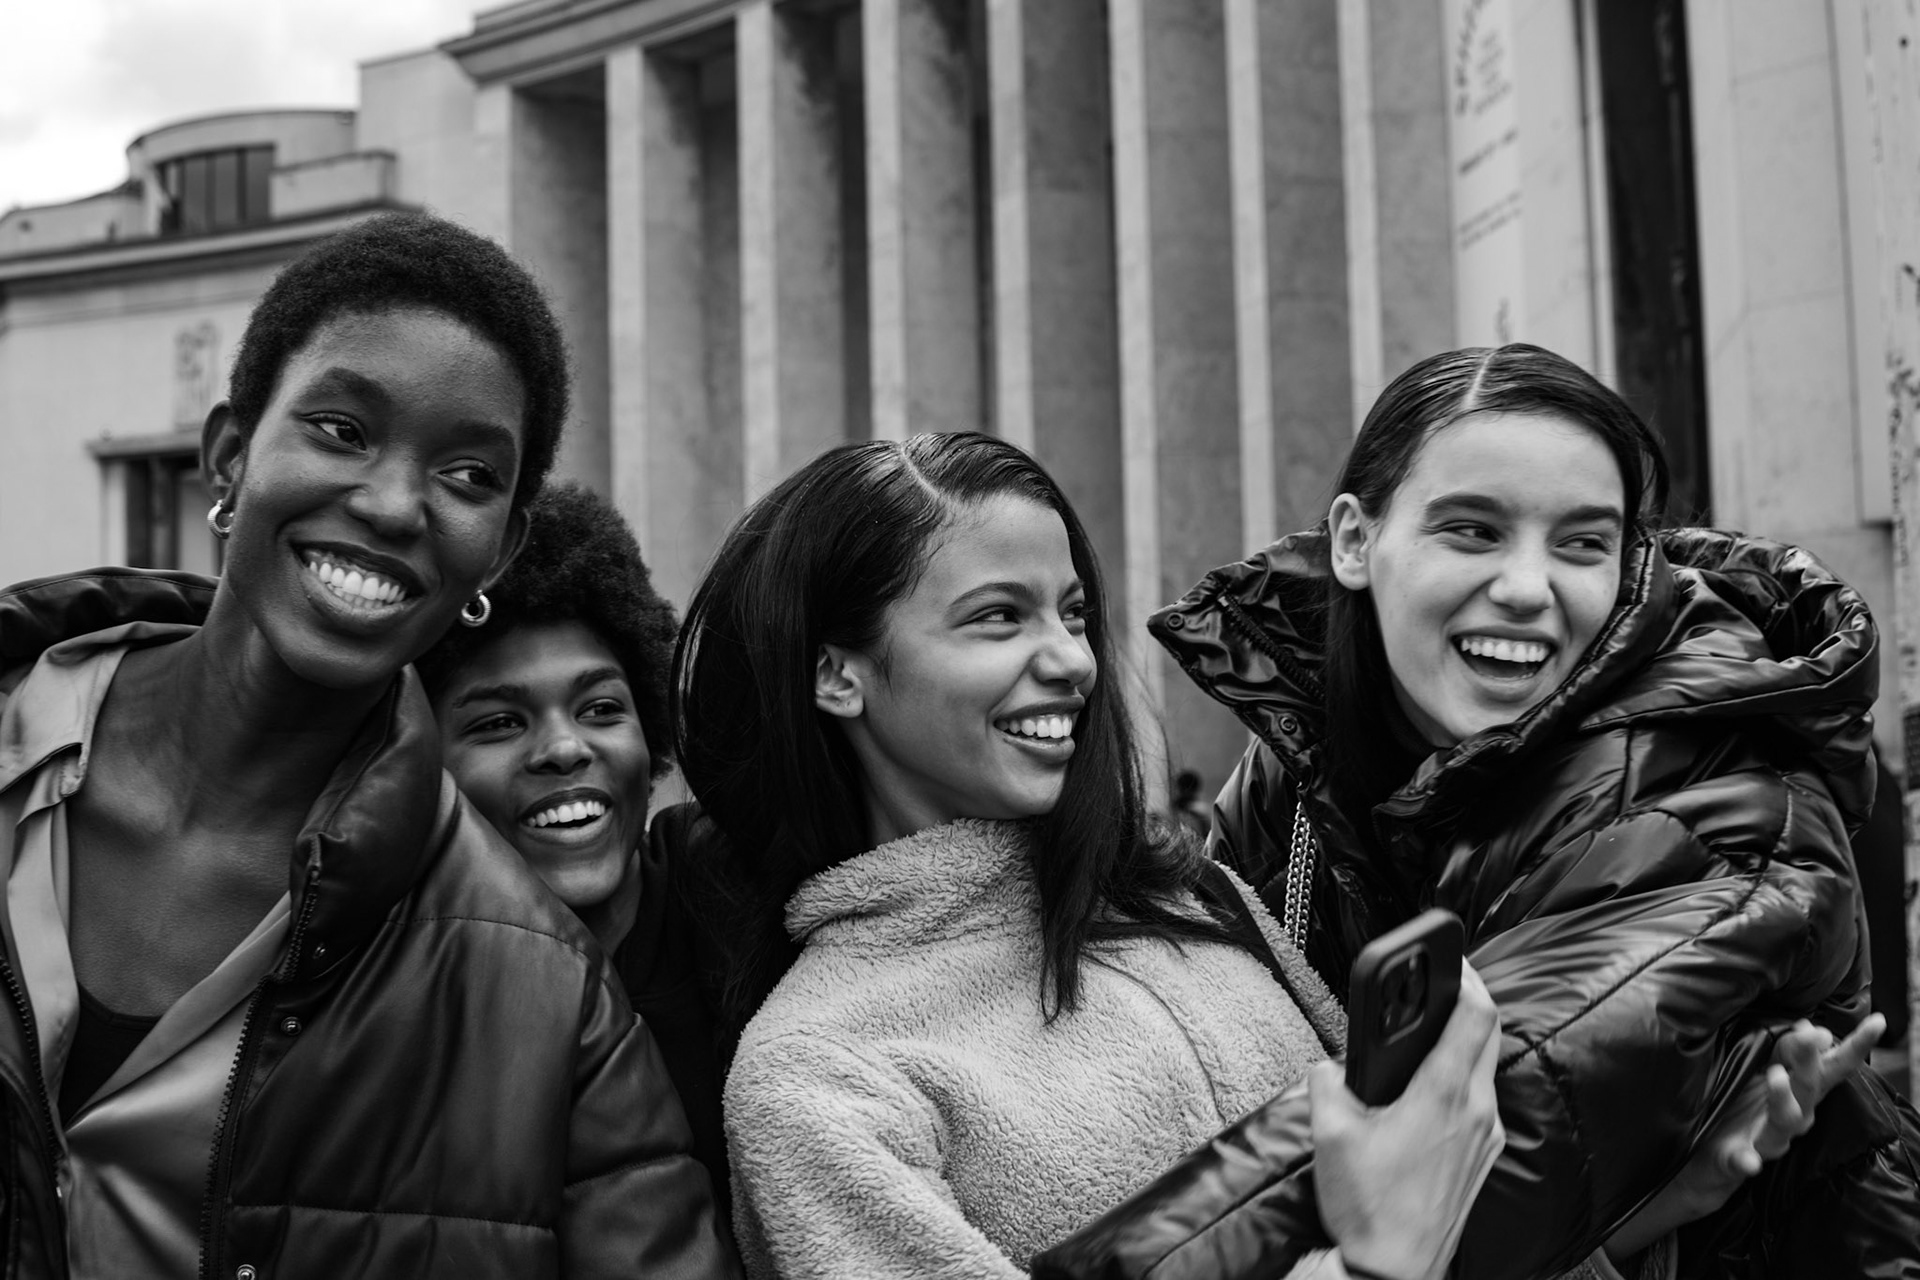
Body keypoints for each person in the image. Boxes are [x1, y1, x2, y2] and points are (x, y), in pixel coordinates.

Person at [671, 431, 1833, 1280]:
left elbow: (1425, 1207)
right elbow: (1387, 1242)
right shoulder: (814, 1081)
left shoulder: (1197, 897)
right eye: (997, 617)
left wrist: (1653, 1205)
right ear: (838, 674)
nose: (1070, 661)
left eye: (1073, 612)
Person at [1041, 343, 1914, 1279]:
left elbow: (1450, 1136)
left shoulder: (1720, 798)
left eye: (1584, 543)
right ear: (1353, 541)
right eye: (1473, 531)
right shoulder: (1296, 771)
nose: (1529, 589)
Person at [0, 213, 737, 1277]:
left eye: (471, 475)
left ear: (502, 549)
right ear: (230, 451)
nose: (395, 503)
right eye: (343, 428)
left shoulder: (551, 1003)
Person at [417, 480, 733, 1212]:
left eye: (599, 709)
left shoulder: (741, 902)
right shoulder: (389, 993)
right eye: (498, 723)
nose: (564, 748)